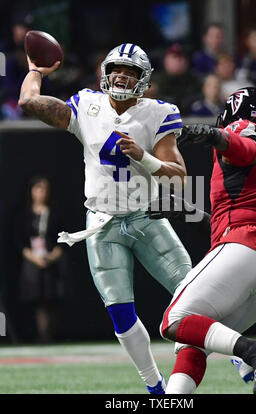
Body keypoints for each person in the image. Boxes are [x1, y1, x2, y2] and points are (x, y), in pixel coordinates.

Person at [18, 43, 194, 393]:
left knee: (194, 293)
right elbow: (28, 102)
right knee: (120, 312)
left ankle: (237, 355)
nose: (121, 77)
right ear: (105, 72)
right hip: (102, 223)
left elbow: (179, 177)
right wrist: (36, 71)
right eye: (116, 69)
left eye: (130, 73)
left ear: (143, 80)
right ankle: (155, 388)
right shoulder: (87, 104)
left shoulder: (158, 112)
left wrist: (144, 156)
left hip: (146, 216)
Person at [157, 87, 256, 394]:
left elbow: (243, 147)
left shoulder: (244, 127)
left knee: (174, 320)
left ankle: (255, 351)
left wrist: (211, 135)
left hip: (247, 249)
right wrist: (191, 213)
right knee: (192, 339)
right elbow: (241, 216)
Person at [15, 176, 64, 342]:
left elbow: (63, 239)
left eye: (45, 189)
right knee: (36, 298)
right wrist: (34, 258)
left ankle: (52, 335)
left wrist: (51, 256)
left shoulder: (54, 214)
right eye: (38, 188)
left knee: (52, 297)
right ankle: (39, 335)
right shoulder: (24, 215)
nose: (42, 193)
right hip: (32, 260)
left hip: (51, 259)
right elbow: (19, 241)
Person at [151, 43, 202, 115]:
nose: (179, 61)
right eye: (175, 57)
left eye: (182, 57)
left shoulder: (195, 81)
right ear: (166, 61)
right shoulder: (155, 81)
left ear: (187, 62)